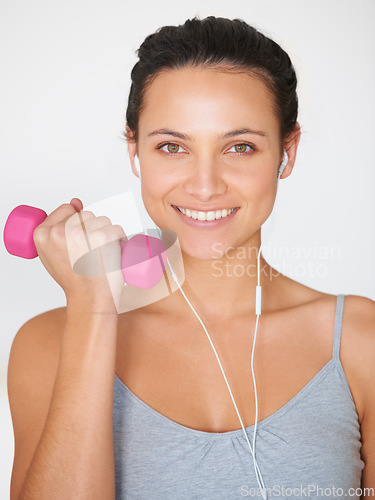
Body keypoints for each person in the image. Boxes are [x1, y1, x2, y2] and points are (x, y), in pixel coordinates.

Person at [7, 15, 375, 500]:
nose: (205, 186)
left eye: (240, 147)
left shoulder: (358, 341)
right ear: (135, 152)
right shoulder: (48, 343)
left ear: (288, 151)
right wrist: (93, 310)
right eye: (172, 146)